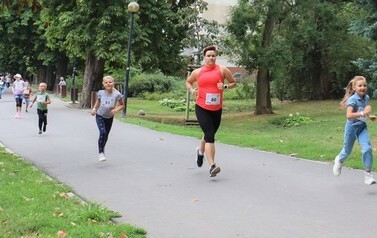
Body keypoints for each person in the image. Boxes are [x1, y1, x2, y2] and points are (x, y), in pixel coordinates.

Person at [185, 45, 237, 177]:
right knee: (210, 136)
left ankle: (200, 152)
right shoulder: (198, 72)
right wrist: (192, 90)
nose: (211, 58)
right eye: (208, 55)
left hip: (216, 109)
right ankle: (212, 166)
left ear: (216, 56)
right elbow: (188, 82)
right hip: (202, 107)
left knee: (209, 134)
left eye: (213, 55)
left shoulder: (223, 70)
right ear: (204, 57)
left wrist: (224, 86)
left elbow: (233, 82)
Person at [333, 76, 376, 185]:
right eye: (360, 85)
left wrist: (369, 116)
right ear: (354, 87)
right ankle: (339, 160)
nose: (363, 87)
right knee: (347, 150)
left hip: (362, 127)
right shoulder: (352, 100)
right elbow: (349, 115)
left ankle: (368, 175)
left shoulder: (366, 98)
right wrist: (363, 113)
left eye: (364, 85)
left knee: (367, 148)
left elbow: (362, 111)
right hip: (351, 128)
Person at [91, 76, 124, 162]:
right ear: (103, 84)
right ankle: (101, 153)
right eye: (106, 82)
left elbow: (122, 105)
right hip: (100, 115)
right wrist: (94, 109)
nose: (108, 84)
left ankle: (102, 148)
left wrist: (116, 110)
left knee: (106, 135)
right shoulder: (101, 93)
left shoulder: (117, 94)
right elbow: (98, 101)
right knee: (103, 132)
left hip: (109, 117)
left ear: (113, 83)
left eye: (110, 82)